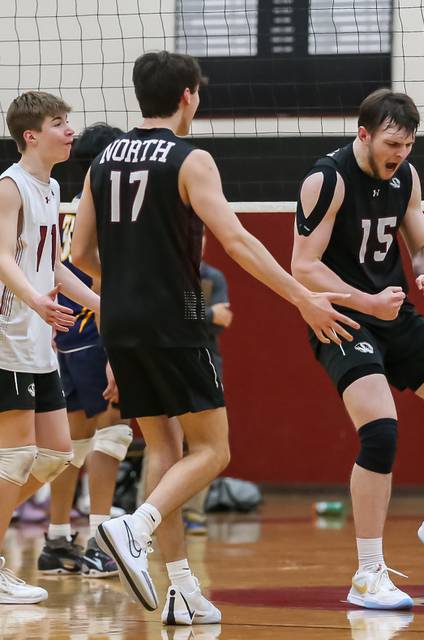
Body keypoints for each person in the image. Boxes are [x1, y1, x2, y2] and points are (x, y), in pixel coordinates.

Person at [70, 50, 356, 625]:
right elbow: (239, 242)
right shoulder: (191, 159)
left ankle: (179, 588)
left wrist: (126, 287)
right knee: (214, 450)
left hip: (121, 320)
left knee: (165, 449)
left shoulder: (102, 160)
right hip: (177, 315)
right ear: (188, 96)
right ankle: (134, 525)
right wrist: (301, 297)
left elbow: (78, 254)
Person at [292, 88, 424, 611]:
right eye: (391, 144)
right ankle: (368, 573)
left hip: (392, 313)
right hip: (340, 316)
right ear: (363, 134)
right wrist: (366, 301)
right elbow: (303, 267)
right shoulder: (328, 178)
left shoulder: (406, 176)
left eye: (408, 145)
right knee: (381, 432)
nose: (400, 154)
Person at [0, 91, 100, 603]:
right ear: (31, 135)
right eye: (60, 123)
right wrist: (37, 301)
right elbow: (2, 258)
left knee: (57, 454)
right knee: (16, 456)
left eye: (69, 122)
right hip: (10, 333)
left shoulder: (51, 185)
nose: (70, 131)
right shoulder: (11, 187)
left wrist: (99, 303)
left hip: (39, 334)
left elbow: (54, 263)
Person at [37, 122, 133, 579]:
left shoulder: (64, 209)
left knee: (73, 443)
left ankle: (58, 539)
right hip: (95, 335)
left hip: (59, 338)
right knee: (113, 431)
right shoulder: (113, 216)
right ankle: (100, 540)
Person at [184, 233, 232, 535]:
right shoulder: (170, 270)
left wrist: (200, 315)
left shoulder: (213, 276)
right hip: (173, 359)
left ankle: (193, 513)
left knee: (205, 443)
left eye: (202, 235)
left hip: (207, 359)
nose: (198, 240)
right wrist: (209, 313)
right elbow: (179, 318)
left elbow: (224, 319)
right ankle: (150, 509)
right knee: (166, 439)